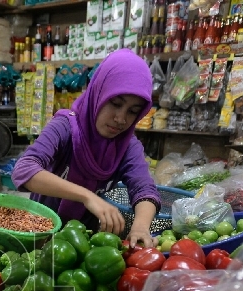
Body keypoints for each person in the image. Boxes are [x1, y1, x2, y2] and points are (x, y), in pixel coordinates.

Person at [11, 48, 161, 247]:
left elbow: (144, 189)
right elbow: (25, 169)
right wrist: (87, 196)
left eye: (133, 112)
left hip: (84, 244)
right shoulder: (65, 127)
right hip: (38, 235)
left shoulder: (127, 146)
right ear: (99, 92)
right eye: (115, 103)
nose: (121, 118)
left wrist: (141, 227)